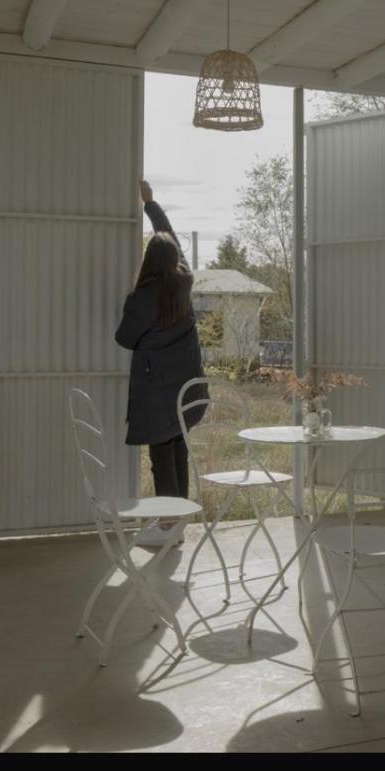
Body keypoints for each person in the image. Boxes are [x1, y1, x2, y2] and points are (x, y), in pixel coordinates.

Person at [115, 180, 207, 546]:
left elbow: (124, 338)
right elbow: (171, 239)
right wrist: (151, 205)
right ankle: (175, 523)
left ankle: (169, 527)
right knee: (177, 448)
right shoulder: (183, 281)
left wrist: (130, 302)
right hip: (188, 390)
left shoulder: (143, 298)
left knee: (162, 454)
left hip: (157, 392)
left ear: (148, 261)